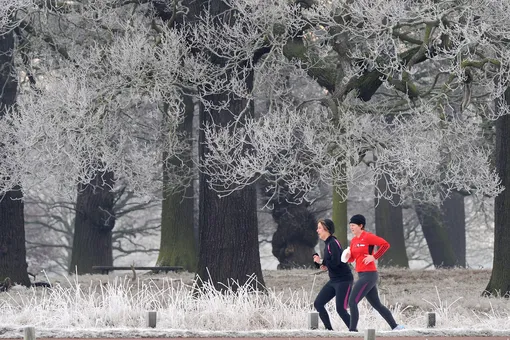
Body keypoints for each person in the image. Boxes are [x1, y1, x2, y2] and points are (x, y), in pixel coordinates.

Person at [342, 214, 404, 331]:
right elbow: (352, 259)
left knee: (352, 301)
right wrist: (347, 257)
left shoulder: (368, 237)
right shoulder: (354, 241)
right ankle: (395, 326)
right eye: (350, 225)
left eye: (353, 225)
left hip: (370, 274)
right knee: (377, 305)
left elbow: (385, 245)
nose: (351, 227)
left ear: (361, 226)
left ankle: (352, 330)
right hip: (361, 274)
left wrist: (374, 257)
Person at [312, 218, 353, 330]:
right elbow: (329, 265)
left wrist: (321, 261)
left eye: (319, 228)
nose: (317, 230)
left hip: (344, 280)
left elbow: (336, 262)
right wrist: (321, 264)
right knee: (318, 304)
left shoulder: (333, 243)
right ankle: (329, 331)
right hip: (334, 280)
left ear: (327, 229)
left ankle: (354, 332)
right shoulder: (327, 244)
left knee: (340, 309)